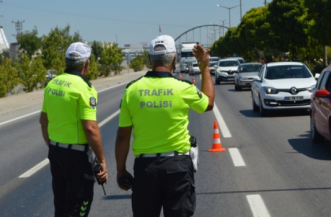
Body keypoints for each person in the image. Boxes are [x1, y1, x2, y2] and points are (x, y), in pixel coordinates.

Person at [115, 35, 215, 217]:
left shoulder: (132, 90)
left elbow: (123, 137)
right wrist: (205, 68)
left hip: (145, 169)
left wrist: (121, 170)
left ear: (149, 60)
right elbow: (208, 104)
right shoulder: (183, 88)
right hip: (177, 167)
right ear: (174, 59)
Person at [39, 42, 108, 217]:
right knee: (77, 208)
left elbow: (43, 121)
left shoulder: (52, 84)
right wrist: (102, 161)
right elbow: (91, 128)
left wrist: (53, 146)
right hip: (77, 158)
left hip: (56, 153)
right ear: (87, 64)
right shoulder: (85, 88)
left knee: (60, 207)